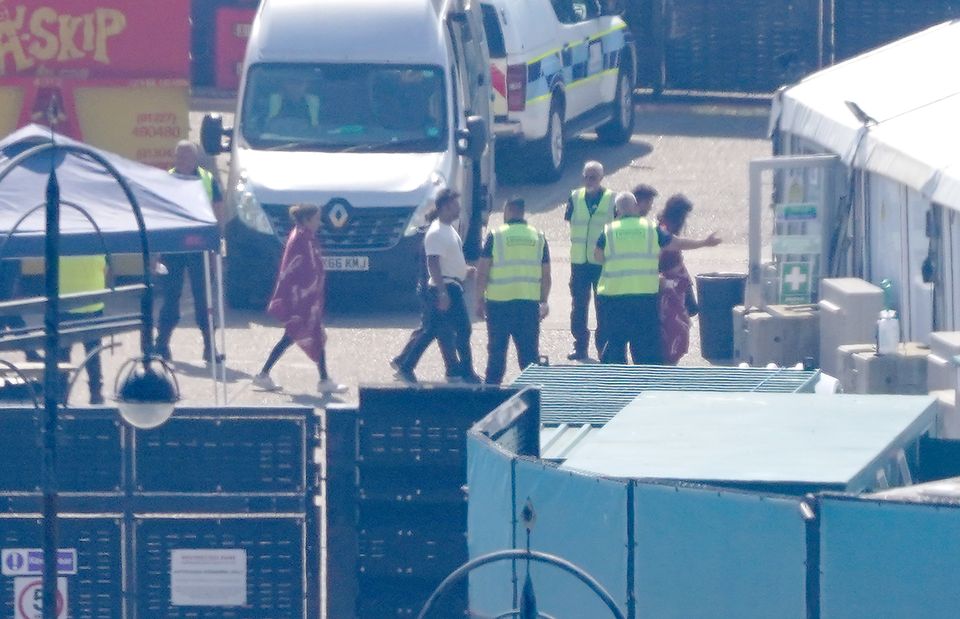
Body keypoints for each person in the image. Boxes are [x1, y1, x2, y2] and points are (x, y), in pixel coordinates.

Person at [594, 192, 720, 364]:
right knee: (645, 344)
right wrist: (704, 242)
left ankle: (617, 385)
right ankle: (647, 383)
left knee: (616, 343)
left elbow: (598, 257)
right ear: (635, 207)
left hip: (614, 298)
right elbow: (676, 243)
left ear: (617, 209)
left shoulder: (608, 231)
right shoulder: (650, 228)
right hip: (645, 296)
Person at [253, 204, 346, 394]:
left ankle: (321, 379)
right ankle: (322, 380)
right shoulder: (301, 239)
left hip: (306, 300)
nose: (319, 223)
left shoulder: (304, 236)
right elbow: (299, 271)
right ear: (306, 219)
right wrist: (307, 295)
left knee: (304, 336)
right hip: (301, 301)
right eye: (316, 218)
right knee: (304, 336)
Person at [391, 188, 479, 383]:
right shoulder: (437, 231)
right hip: (446, 288)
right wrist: (442, 292)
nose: (458, 207)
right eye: (455, 204)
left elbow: (449, 261)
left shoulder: (448, 230)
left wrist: (465, 270)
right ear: (446, 206)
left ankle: (405, 366)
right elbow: (433, 263)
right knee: (463, 328)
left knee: (432, 330)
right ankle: (467, 372)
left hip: (451, 285)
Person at [156, 141, 224, 364]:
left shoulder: (207, 179)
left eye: (186, 157)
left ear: (195, 159)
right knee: (170, 298)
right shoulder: (166, 180)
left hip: (200, 247)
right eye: (179, 156)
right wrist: (157, 253)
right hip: (174, 247)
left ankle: (209, 347)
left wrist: (215, 248)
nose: (182, 161)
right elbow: (159, 217)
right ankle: (162, 345)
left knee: (204, 300)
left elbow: (218, 213)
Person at [475, 197, 551, 384]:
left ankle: (491, 396)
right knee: (529, 355)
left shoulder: (496, 235)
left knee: (496, 354)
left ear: (508, 210)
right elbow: (546, 276)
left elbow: (482, 272)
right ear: (522, 211)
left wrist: (479, 300)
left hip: (498, 305)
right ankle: (534, 396)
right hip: (528, 305)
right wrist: (543, 301)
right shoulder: (538, 236)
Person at [564, 160, 615, 361]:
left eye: (593, 177)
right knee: (578, 307)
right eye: (586, 176)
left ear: (601, 178)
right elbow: (571, 221)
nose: (589, 180)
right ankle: (580, 347)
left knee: (603, 307)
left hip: (602, 263)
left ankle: (603, 348)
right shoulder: (575, 197)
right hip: (579, 263)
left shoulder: (612, 199)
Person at [658, 194, 702, 365]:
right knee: (674, 325)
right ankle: (669, 358)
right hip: (669, 285)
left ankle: (672, 357)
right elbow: (662, 255)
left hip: (678, 282)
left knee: (681, 321)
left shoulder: (669, 227)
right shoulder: (664, 228)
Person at [58, 254, 107, 404]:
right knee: (93, 352)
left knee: (62, 354)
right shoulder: (97, 242)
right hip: (92, 305)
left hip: (65, 304)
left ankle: (61, 395)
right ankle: (95, 394)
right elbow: (105, 269)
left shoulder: (59, 241)